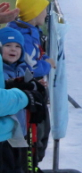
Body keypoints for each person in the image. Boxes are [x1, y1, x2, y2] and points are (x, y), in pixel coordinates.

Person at [0, 26, 45, 171]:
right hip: (6, 131)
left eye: (17, 46)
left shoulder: (23, 68)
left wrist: (34, 86)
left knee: (21, 161)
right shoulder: (3, 70)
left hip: (20, 128)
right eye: (8, 45)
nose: (13, 49)